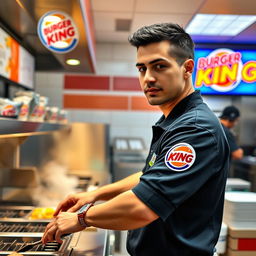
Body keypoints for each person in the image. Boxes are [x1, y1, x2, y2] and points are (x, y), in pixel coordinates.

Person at [42, 23, 229, 256]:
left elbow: (142, 207)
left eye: (159, 66)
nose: (148, 78)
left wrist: (81, 219)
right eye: (142, 69)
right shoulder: (175, 120)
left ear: (187, 68)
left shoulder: (195, 129)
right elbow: (149, 177)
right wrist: (95, 194)